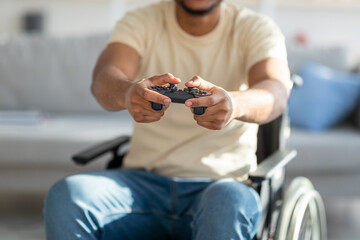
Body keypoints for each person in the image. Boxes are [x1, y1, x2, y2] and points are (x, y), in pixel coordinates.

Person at [43, 0, 292, 239]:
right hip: (141, 185)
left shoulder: (255, 28)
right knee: (67, 195)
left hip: (221, 185)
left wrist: (234, 104)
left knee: (230, 201)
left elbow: (276, 91)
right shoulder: (141, 21)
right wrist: (127, 93)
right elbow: (104, 77)